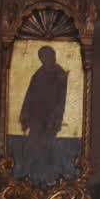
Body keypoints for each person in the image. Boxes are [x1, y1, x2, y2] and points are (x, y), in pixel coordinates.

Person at [18, 44, 69, 186]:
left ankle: (49, 176)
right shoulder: (38, 74)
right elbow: (29, 95)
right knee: (32, 143)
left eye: (50, 56)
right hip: (36, 116)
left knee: (46, 145)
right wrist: (25, 114)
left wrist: (55, 117)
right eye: (44, 57)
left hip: (50, 118)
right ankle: (28, 174)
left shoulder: (59, 74)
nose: (47, 59)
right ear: (41, 59)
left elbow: (61, 100)